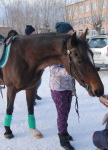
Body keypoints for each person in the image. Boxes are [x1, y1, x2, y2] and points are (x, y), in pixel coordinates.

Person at [49, 22, 74, 150]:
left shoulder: (68, 50)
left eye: (72, 33)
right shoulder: (55, 52)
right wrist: (70, 71)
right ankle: (63, 138)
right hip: (58, 88)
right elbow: (53, 70)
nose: (72, 36)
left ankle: (65, 131)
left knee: (66, 111)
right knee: (62, 113)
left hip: (68, 87)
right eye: (70, 34)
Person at [25, 25, 42, 102]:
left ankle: (35, 93)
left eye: (36, 34)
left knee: (39, 82)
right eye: (33, 34)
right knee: (31, 84)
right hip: (29, 67)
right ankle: (31, 99)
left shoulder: (36, 43)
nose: (35, 36)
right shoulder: (26, 44)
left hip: (37, 66)